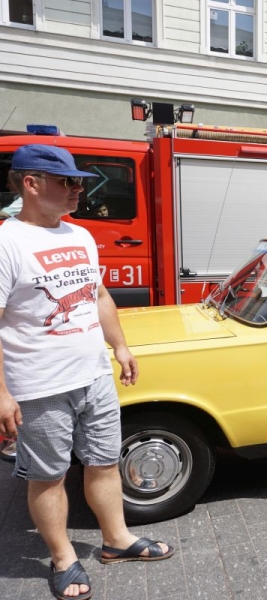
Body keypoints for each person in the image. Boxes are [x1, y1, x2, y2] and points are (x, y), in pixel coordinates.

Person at [0, 145, 173, 600]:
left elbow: (98, 296)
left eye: (79, 181)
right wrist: (2, 393)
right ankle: (63, 558)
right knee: (49, 476)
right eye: (68, 182)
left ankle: (116, 540)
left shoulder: (79, 235)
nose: (79, 190)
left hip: (94, 376)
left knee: (104, 462)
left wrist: (120, 346)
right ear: (31, 184)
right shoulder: (7, 243)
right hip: (39, 386)